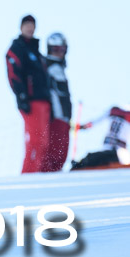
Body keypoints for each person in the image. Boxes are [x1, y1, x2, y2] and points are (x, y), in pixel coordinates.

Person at [6, 15, 51, 173]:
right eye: (27, 25)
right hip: (30, 102)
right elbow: (13, 75)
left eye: (32, 25)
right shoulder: (17, 48)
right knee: (35, 140)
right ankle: (28, 175)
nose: (30, 28)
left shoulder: (36, 52)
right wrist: (22, 96)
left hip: (43, 101)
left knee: (44, 142)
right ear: (21, 27)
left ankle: (39, 173)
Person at [43, 33, 72, 172]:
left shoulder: (59, 68)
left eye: (61, 49)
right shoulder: (47, 68)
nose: (58, 53)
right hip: (55, 119)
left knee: (61, 155)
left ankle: (56, 180)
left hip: (64, 119)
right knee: (53, 156)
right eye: (54, 49)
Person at [71, 106, 130, 170]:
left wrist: (81, 127)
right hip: (121, 155)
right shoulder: (119, 111)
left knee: (90, 159)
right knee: (91, 159)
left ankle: (78, 166)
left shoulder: (114, 110)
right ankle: (79, 165)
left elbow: (95, 121)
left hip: (114, 154)